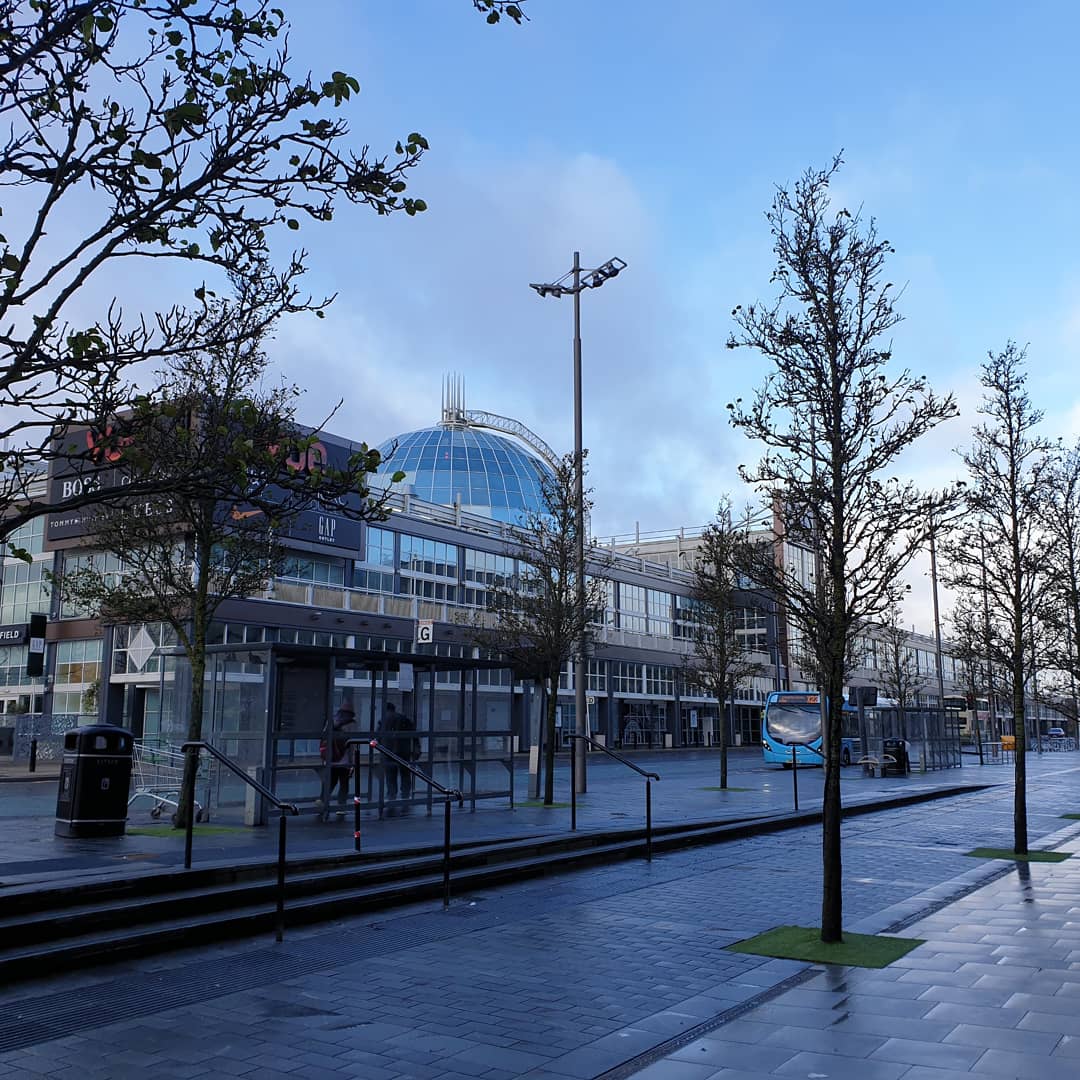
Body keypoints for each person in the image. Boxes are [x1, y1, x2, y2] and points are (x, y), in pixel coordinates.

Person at [378, 702, 419, 812]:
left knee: (391, 776)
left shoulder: (383, 720)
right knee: (405, 774)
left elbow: (378, 738)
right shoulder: (403, 718)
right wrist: (416, 748)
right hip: (403, 751)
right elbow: (414, 734)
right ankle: (405, 796)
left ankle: (392, 796)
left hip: (388, 752)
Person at [326, 701, 355, 818]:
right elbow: (353, 744)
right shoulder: (351, 724)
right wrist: (352, 762)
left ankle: (323, 799)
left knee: (331, 781)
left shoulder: (332, 720)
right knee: (344, 784)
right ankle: (341, 806)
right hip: (344, 760)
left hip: (331, 759)